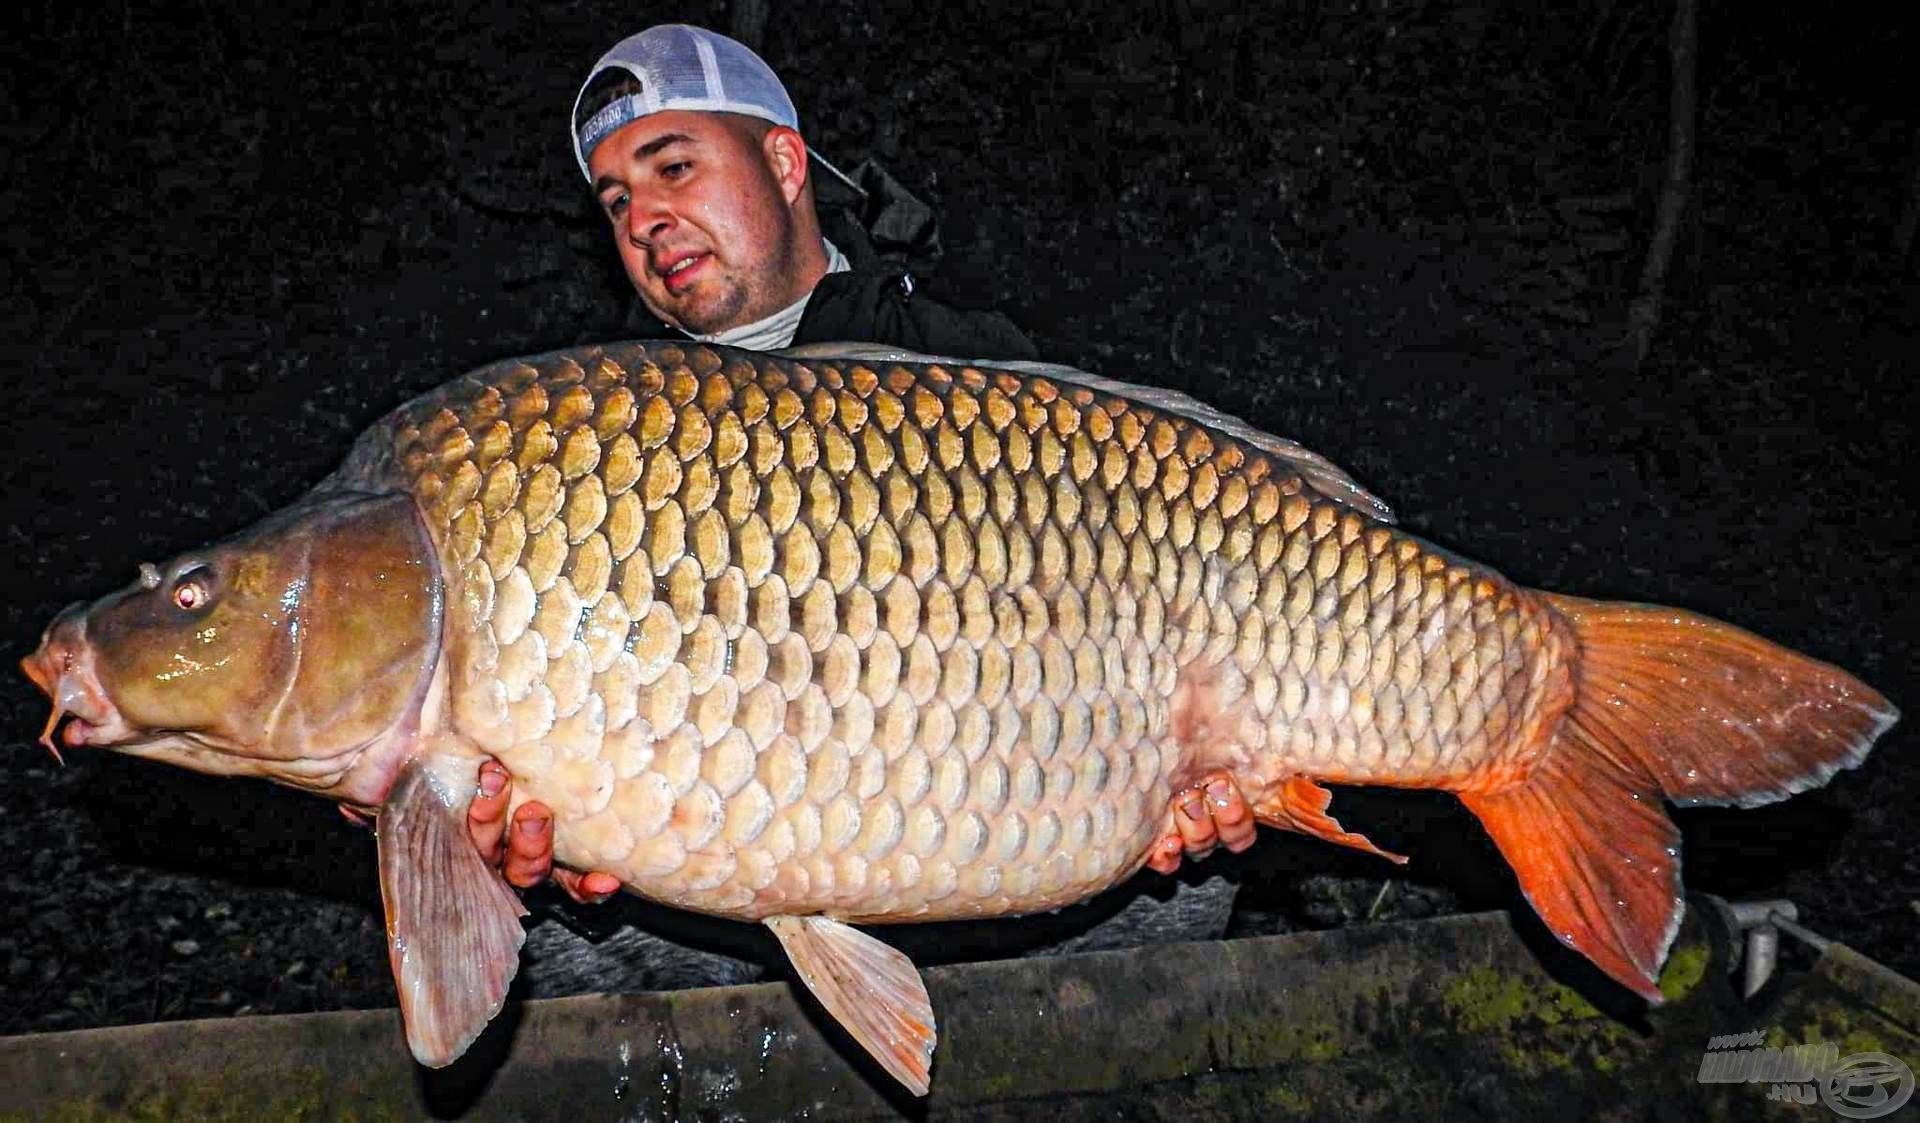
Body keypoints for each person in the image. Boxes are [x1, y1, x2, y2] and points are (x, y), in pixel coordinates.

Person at [456, 24, 1254, 938]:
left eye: (672, 168)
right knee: (567, 943)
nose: (641, 221)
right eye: (614, 202)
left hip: (995, 844)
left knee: (1180, 893)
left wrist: (1178, 775)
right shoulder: (601, 446)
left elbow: (1144, 637)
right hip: (732, 898)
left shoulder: (973, 364)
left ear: (786, 164)